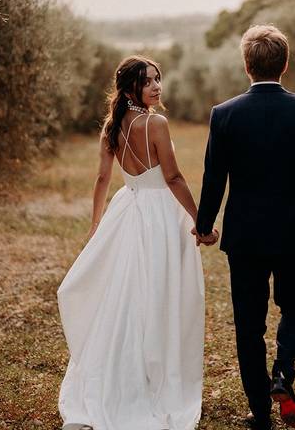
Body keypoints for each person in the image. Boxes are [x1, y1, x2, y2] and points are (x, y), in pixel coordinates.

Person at [56, 55, 217, 430]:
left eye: (158, 79)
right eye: (148, 82)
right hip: (160, 214)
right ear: (131, 89)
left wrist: (98, 224)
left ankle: (129, 372)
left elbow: (101, 179)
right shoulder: (155, 123)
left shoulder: (111, 128)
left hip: (127, 209)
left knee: (129, 295)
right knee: (161, 295)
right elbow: (174, 178)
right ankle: (153, 379)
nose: (157, 86)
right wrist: (201, 223)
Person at [194, 25, 295, 430]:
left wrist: (204, 225)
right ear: (285, 64)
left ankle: (260, 411)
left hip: (246, 236)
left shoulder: (225, 114)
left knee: (249, 325)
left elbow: (213, 178)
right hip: (293, 231)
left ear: (246, 66)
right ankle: (283, 373)